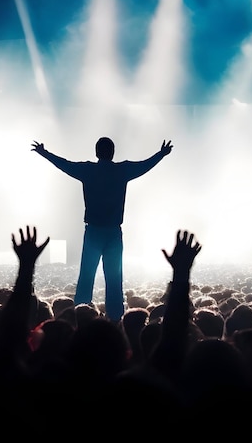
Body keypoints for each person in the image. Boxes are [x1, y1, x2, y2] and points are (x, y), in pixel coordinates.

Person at [31, 137, 173, 322]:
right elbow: (144, 165)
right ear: (113, 152)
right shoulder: (122, 170)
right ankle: (116, 321)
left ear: (96, 152)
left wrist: (44, 153)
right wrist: (161, 154)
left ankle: (79, 319)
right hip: (113, 233)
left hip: (93, 232)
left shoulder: (88, 170)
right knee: (114, 279)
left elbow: (64, 165)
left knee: (86, 276)